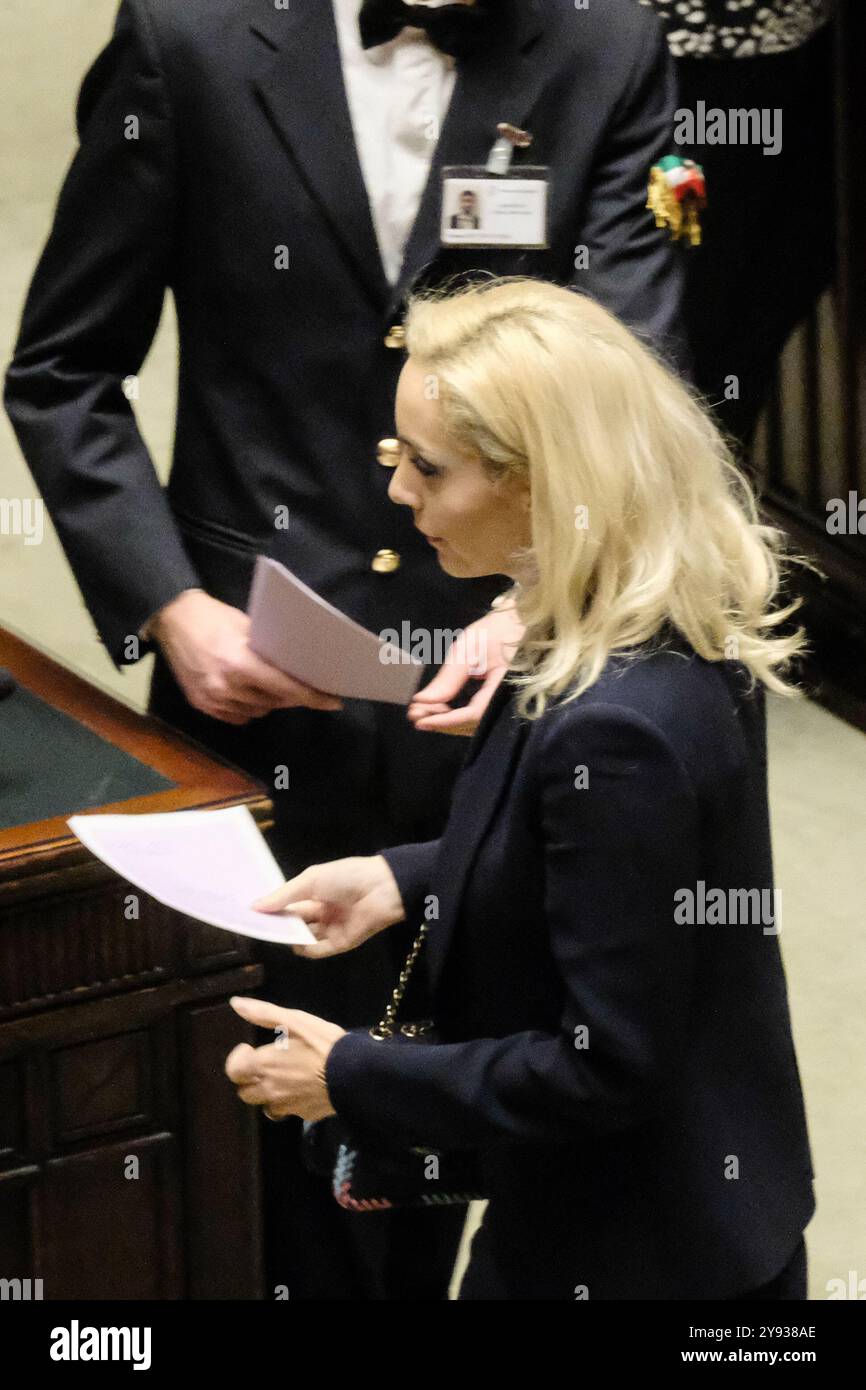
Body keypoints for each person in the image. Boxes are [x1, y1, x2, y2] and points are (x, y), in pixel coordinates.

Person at [4, 0, 685, 1299]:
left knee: (435, 1112)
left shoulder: (606, 46)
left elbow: (636, 385)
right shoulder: (187, 35)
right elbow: (62, 372)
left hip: (488, 687)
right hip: (240, 680)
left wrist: (538, 597)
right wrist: (167, 604)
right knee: (234, 1109)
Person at [225, 276, 816, 1300]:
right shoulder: (635, 602)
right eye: (392, 453)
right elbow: (616, 875)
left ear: (541, 482)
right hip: (658, 1212)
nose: (399, 491)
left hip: (638, 1257)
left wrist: (348, 1074)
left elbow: (604, 1066)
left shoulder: (618, 722)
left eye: (428, 467)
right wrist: (407, 877)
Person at [639, 0, 836, 445]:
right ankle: (684, 477)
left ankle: (712, 472)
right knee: (687, 292)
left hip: (790, 49)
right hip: (679, 55)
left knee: (776, 274)